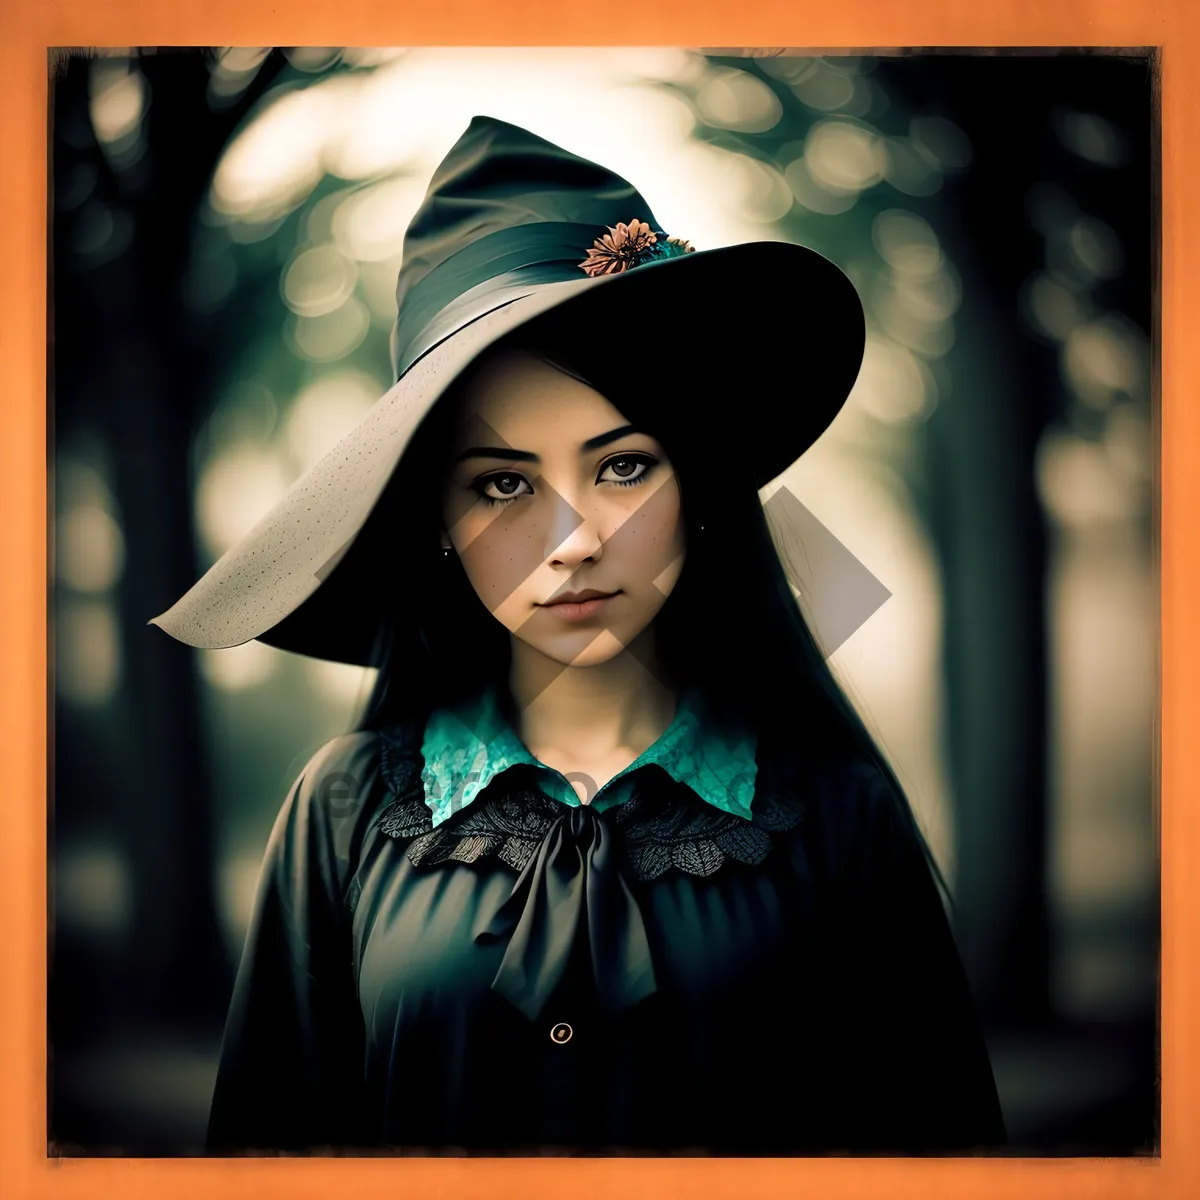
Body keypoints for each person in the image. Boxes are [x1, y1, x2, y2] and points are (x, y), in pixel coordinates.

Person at [151, 115, 1007, 1155]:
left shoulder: (834, 816)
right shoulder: (343, 812)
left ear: (698, 488)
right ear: (438, 525)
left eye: (623, 466)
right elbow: (264, 1158)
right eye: (503, 484)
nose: (572, 541)